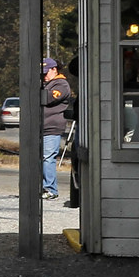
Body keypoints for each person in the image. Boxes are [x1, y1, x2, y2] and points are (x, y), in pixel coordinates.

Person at [40, 58, 76, 200]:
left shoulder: (61, 85)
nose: (44, 76)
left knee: (48, 158)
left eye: (45, 73)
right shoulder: (47, 84)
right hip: (42, 127)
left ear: (54, 69)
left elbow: (48, 98)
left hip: (52, 128)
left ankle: (50, 189)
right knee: (42, 159)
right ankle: (44, 187)